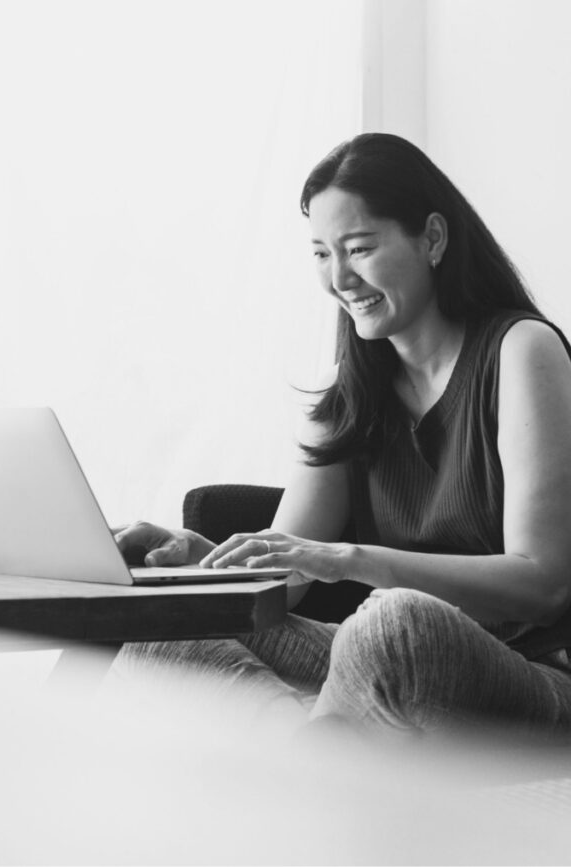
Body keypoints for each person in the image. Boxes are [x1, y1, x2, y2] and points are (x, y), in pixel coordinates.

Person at [112, 133, 571, 740]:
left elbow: (544, 584)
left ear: (432, 238)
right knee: (167, 628)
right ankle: (316, 773)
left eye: (359, 248)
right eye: (322, 254)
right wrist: (197, 555)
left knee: (395, 620)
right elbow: (289, 578)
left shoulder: (520, 351)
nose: (340, 278)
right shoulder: (347, 390)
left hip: (520, 673)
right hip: (373, 661)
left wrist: (353, 561)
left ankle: (301, 771)